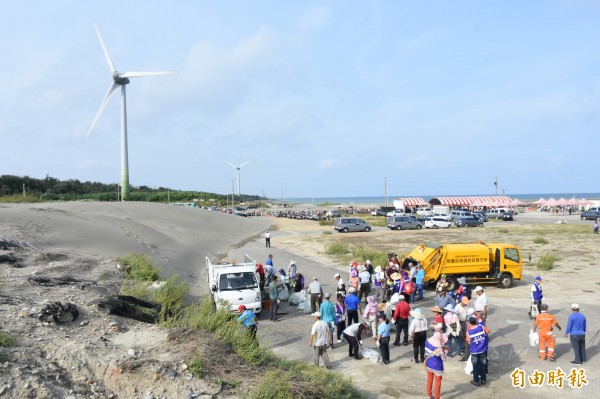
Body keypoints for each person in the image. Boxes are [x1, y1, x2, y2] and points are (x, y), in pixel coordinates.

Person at [425, 323, 447, 399]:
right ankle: (436, 397)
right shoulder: (439, 347)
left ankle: (429, 395)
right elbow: (443, 358)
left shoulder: (427, 342)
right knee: (438, 382)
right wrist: (444, 352)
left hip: (428, 363)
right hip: (437, 366)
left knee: (429, 379)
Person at [466, 315, 490, 386]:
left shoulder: (468, 332)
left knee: (475, 366)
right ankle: (483, 380)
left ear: (470, 323)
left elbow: (469, 342)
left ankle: (476, 381)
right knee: (483, 365)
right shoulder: (482, 327)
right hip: (483, 350)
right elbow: (488, 331)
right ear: (476, 321)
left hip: (474, 351)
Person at [455, 296, 469, 361]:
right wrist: (458, 324)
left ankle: (464, 347)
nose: (466, 304)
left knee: (465, 335)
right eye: (465, 303)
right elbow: (455, 316)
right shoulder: (457, 307)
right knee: (461, 336)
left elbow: (466, 313)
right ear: (462, 302)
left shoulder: (465, 306)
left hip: (464, 321)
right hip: (459, 322)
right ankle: (462, 349)